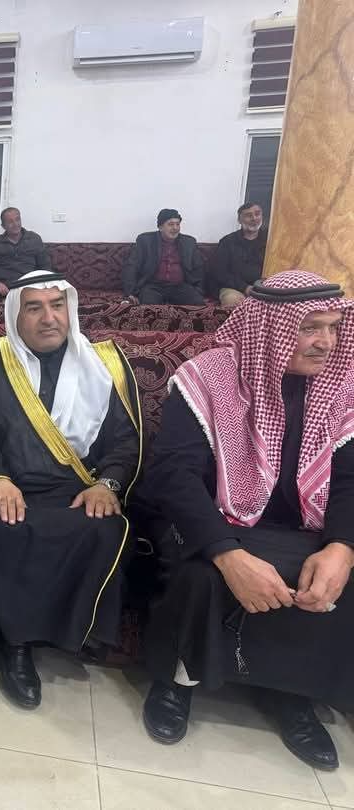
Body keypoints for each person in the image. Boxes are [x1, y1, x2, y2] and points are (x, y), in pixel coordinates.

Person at [138, 270, 354, 771]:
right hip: (216, 521)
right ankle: (178, 680)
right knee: (201, 574)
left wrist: (341, 546)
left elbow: (349, 479)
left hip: (304, 530)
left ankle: (294, 691)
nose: (325, 342)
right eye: (310, 328)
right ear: (270, 329)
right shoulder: (209, 377)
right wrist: (228, 554)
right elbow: (175, 476)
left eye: (333, 327)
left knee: (332, 576)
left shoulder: (342, 385)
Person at [0, 270, 142, 709]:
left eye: (57, 306)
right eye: (34, 308)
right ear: (15, 316)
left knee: (102, 526)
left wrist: (107, 484)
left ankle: (17, 644)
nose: (48, 318)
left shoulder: (104, 367)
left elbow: (125, 439)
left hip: (70, 488)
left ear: (71, 311)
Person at [122, 209, 205, 305]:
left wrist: (198, 290)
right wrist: (130, 292)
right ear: (160, 227)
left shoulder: (189, 242)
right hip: (153, 286)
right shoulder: (145, 241)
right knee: (149, 307)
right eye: (170, 224)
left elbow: (199, 268)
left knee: (198, 304)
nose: (175, 228)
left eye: (177, 224)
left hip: (180, 286)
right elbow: (132, 266)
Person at [0, 208, 52, 303]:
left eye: (17, 219)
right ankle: (8, 299)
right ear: (3, 226)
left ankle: (12, 300)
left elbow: (45, 267)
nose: (15, 224)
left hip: (28, 285)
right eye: (10, 222)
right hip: (4, 287)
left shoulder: (34, 239)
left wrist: (38, 284)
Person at [211, 202, 268, 307]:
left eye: (257, 214)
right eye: (248, 215)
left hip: (264, 287)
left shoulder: (270, 241)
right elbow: (220, 272)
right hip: (234, 288)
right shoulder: (227, 241)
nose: (254, 218)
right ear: (239, 220)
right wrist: (245, 287)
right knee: (232, 300)